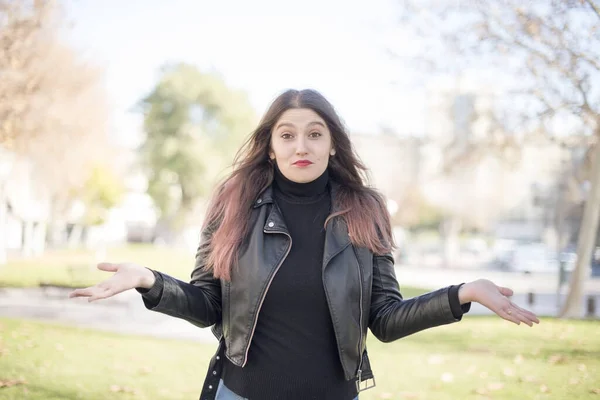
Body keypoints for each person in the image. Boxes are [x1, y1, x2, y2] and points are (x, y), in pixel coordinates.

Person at [69, 89, 540, 400]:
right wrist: (150, 282)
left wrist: (463, 294)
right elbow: (208, 306)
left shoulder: (365, 210)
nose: (302, 146)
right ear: (270, 145)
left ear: (333, 144)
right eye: (288, 134)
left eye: (315, 134)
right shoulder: (233, 204)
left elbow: (386, 320)